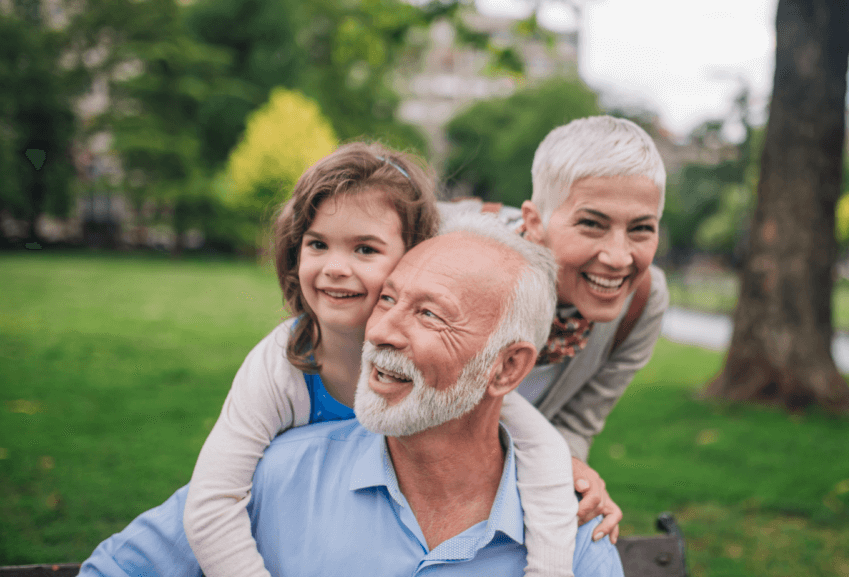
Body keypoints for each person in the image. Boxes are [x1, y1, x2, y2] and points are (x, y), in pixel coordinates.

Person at [78, 216, 623, 577]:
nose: (382, 330)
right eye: (386, 299)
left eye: (430, 314)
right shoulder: (277, 477)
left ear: (507, 368)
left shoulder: (575, 538)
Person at [180, 143, 577, 577]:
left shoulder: (453, 373)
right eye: (317, 244)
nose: (335, 267)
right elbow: (213, 501)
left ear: (415, 254)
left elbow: (542, 449)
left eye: (364, 249)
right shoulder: (282, 363)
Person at [443, 115, 669, 544]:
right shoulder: (453, 252)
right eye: (592, 224)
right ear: (533, 222)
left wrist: (572, 478)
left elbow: (576, 422)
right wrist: (548, 458)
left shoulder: (643, 303)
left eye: (641, 228)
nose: (619, 257)